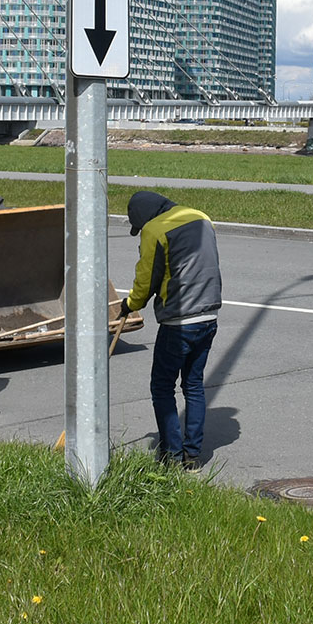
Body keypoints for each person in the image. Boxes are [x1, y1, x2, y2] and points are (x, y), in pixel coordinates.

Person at [123, 191, 222, 469]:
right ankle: (192, 454)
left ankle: (171, 454)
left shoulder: (155, 230)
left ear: (144, 217)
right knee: (193, 384)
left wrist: (130, 304)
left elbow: (146, 279)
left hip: (179, 320)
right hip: (209, 314)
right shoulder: (201, 217)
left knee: (163, 387)